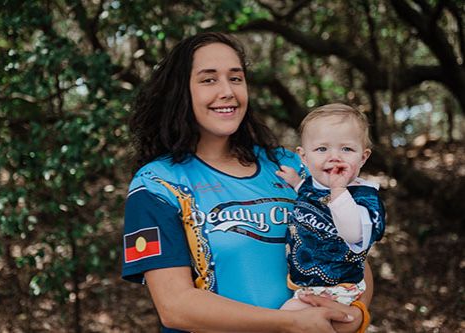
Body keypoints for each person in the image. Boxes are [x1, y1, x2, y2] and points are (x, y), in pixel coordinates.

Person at [122, 32, 372, 333]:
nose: (227, 91)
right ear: (180, 91)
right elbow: (175, 306)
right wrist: (290, 323)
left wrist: (355, 315)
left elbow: (352, 255)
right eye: (208, 79)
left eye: (236, 78)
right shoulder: (156, 185)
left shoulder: (295, 166)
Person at [276, 104, 385, 316]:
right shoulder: (312, 185)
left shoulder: (364, 197)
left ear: (363, 157)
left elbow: (353, 233)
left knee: (287, 317)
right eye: (322, 149)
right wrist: (296, 182)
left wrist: (338, 190)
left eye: (347, 149)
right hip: (310, 285)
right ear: (304, 157)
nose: (334, 157)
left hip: (339, 289)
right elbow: (310, 197)